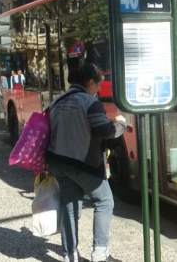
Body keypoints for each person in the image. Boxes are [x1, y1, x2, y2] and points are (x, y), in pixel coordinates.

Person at [46, 61, 125, 262]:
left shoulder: (57, 100)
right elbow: (104, 131)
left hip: (57, 161)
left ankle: (69, 255)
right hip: (83, 163)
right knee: (104, 201)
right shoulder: (89, 102)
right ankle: (99, 253)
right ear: (90, 82)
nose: (99, 89)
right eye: (98, 84)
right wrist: (120, 125)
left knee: (70, 205)